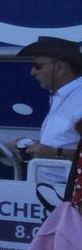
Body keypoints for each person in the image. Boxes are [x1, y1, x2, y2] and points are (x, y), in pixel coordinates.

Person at [15, 36, 82, 185]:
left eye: (37, 66)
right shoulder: (59, 96)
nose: (32, 72)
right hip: (51, 191)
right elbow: (67, 140)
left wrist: (55, 153)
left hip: (70, 193)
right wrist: (36, 148)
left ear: (59, 67)